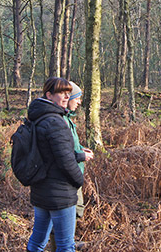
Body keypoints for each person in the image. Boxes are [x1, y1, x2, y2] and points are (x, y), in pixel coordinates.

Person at [26, 77, 83, 252]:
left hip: (41, 189)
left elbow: (52, 153)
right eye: (61, 93)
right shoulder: (55, 122)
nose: (66, 97)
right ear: (49, 95)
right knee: (66, 245)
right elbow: (65, 161)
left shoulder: (38, 116)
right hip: (60, 192)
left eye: (68, 93)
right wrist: (78, 180)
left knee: (37, 240)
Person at [65, 81, 94, 218]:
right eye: (76, 98)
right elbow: (62, 152)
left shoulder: (67, 118)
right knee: (71, 213)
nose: (79, 102)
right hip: (67, 178)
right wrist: (81, 156)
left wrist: (81, 149)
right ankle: (66, 240)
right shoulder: (60, 121)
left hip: (72, 175)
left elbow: (70, 144)